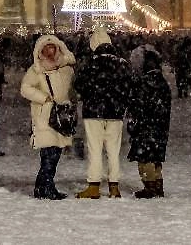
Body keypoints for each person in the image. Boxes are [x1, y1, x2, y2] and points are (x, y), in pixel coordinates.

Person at [73, 28, 131, 199]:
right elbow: (129, 86)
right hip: (115, 112)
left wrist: (90, 95)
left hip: (93, 112)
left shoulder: (90, 63)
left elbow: (79, 86)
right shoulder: (122, 63)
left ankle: (94, 185)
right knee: (114, 150)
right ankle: (114, 186)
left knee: (95, 149)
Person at [20, 34, 76, 200]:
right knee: (49, 153)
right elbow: (25, 88)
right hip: (44, 115)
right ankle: (47, 187)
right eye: (47, 48)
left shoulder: (66, 68)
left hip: (62, 115)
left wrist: (71, 101)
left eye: (53, 47)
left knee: (55, 152)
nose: (50, 51)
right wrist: (42, 98)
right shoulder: (36, 70)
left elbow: (73, 88)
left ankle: (42, 186)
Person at [127, 44, 171, 199]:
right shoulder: (163, 83)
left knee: (145, 159)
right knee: (156, 158)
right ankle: (158, 185)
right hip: (160, 126)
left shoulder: (143, 83)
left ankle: (149, 186)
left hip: (145, 127)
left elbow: (137, 106)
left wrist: (134, 123)